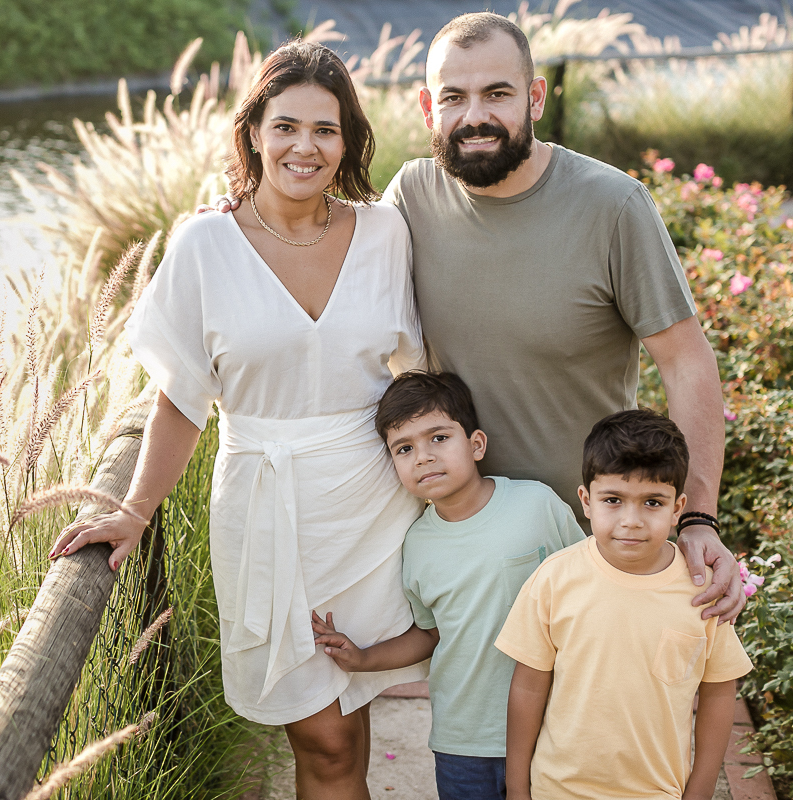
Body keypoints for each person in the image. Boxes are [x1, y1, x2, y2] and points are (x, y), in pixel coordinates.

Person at [212, 12, 744, 621]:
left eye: (497, 94)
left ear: (535, 97)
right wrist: (242, 215)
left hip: (590, 545)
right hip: (461, 545)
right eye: (454, 98)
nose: (474, 117)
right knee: (478, 718)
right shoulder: (411, 198)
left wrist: (698, 517)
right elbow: (323, 248)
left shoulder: (614, 206)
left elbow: (687, 364)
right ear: (426, 107)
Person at [49, 41, 428, 800]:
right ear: (254, 130)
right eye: (286, 125)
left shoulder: (385, 234)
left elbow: (417, 372)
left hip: (373, 506)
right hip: (265, 505)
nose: (305, 146)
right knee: (318, 734)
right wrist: (134, 511)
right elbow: (182, 395)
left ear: (348, 140)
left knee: (353, 723)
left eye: (326, 129)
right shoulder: (204, 245)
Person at [311, 370, 584, 800]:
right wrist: (363, 658)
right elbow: (431, 633)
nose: (423, 456)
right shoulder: (417, 545)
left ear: (476, 445)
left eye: (438, 438)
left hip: (553, 724)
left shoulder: (537, 504)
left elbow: (592, 587)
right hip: (464, 738)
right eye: (405, 448)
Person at [495, 409, 752, 800]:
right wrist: (517, 788)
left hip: (657, 792)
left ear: (677, 508)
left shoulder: (701, 589)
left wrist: (699, 792)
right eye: (613, 499)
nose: (631, 520)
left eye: (652, 502)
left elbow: (719, 691)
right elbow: (528, 688)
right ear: (586, 499)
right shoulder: (555, 579)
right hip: (557, 789)